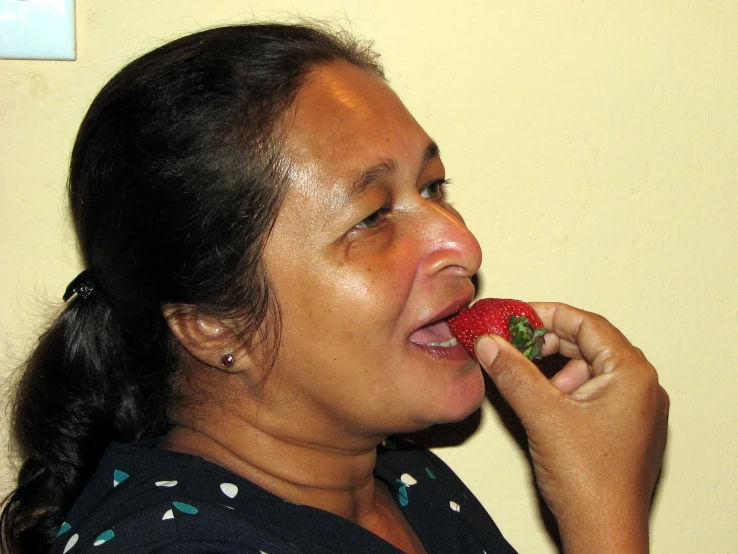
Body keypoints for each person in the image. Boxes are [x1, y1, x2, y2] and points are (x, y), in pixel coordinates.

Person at [0, 22, 668, 554]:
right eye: (372, 217)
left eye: (435, 187)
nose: (462, 245)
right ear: (215, 323)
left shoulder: (413, 487)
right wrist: (605, 516)